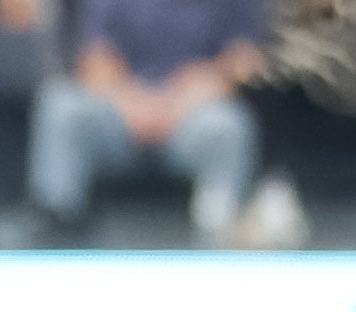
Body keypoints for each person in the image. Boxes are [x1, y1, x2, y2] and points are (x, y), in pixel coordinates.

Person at [27, 0, 262, 240]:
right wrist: (133, 102)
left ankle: (217, 231)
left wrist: (209, 79)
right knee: (61, 106)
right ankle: (58, 223)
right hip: (121, 114)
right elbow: (95, 58)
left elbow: (243, 59)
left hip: (191, 120)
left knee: (230, 125)